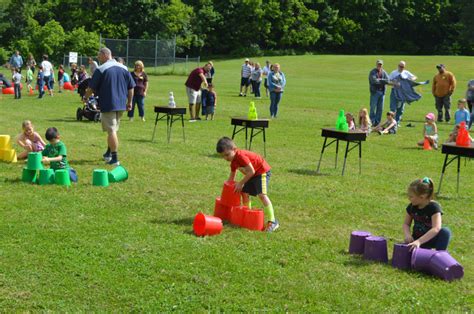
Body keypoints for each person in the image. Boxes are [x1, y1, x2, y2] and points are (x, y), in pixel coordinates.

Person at [84, 48, 135, 166]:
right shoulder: (124, 68)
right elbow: (131, 87)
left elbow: (91, 88)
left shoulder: (101, 69)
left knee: (111, 130)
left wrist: (86, 97)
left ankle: (115, 158)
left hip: (108, 103)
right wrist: (130, 102)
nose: (98, 58)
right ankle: (108, 153)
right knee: (113, 129)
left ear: (105, 55)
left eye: (99, 56)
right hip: (121, 104)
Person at [216, 137, 279, 232]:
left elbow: (251, 171)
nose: (226, 158)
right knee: (244, 192)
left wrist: (241, 183)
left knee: (262, 195)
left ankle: (273, 221)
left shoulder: (241, 156)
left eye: (227, 155)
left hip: (261, 171)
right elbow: (231, 178)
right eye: (223, 156)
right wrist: (227, 189)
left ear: (234, 149)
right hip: (252, 174)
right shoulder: (233, 162)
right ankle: (247, 215)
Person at [403, 177, 451, 251]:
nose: (409, 198)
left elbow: (436, 228)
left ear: (422, 197)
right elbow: (406, 224)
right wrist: (408, 235)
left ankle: (439, 254)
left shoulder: (434, 207)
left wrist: (419, 241)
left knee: (445, 231)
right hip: (416, 240)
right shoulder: (412, 207)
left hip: (430, 239)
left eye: (411, 196)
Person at [368, 60, 389, 126]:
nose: (379, 65)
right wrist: (383, 81)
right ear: (376, 64)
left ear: (382, 65)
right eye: (378, 64)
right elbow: (374, 81)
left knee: (380, 108)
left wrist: (381, 80)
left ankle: (377, 122)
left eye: (380, 64)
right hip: (375, 92)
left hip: (382, 93)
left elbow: (388, 80)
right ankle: (372, 121)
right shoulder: (372, 72)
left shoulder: (384, 72)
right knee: (373, 107)